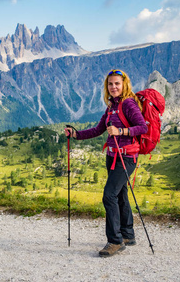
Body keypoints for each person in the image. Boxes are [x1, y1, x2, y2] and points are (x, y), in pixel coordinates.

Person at [65, 69, 147, 257]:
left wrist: (121, 132)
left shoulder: (128, 104)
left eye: (117, 83)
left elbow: (142, 127)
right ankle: (127, 235)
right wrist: (76, 134)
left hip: (126, 157)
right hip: (112, 156)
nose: (113, 87)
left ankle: (115, 241)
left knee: (109, 195)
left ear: (124, 84)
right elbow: (98, 129)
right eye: (110, 84)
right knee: (120, 194)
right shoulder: (111, 106)